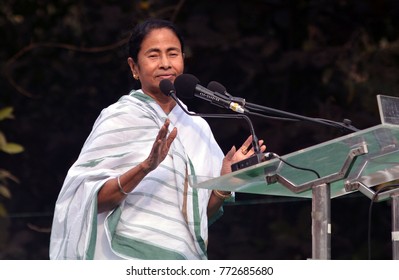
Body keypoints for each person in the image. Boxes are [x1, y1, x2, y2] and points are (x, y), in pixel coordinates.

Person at [49, 18, 266, 260]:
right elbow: (88, 201)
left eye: (172, 54)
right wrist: (145, 168)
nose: (165, 63)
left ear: (183, 59)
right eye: (153, 55)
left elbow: (200, 216)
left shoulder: (197, 127)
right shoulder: (120, 117)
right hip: (125, 258)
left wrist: (226, 180)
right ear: (134, 67)